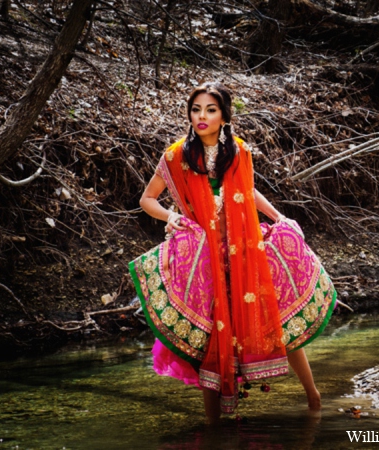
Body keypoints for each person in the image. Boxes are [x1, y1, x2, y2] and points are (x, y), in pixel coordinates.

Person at [129, 82, 337, 424]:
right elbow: (146, 200)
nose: (202, 116)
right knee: (211, 338)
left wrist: (279, 218)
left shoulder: (238, 152)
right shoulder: (176, 155)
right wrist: (173, 217)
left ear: (224, 115)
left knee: (278, 319)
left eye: (210, 110)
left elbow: (248, 191)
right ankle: (215, 429)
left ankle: (313, 399)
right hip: (204, 257)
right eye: (196, 109)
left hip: (247, 250)